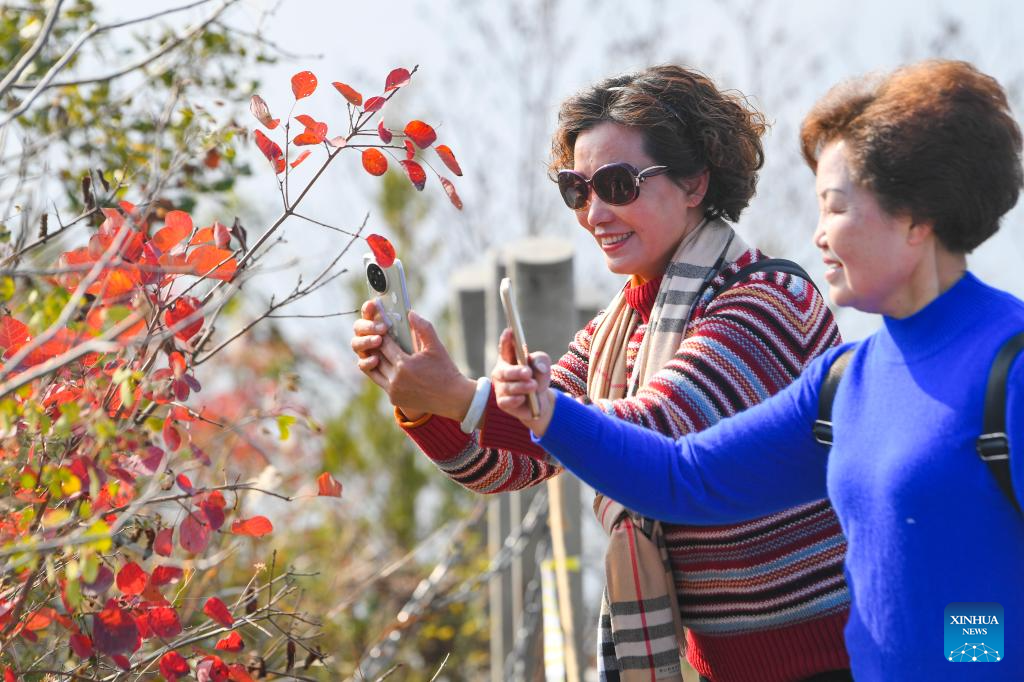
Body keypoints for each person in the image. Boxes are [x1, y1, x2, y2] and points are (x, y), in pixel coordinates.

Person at [493, 60, 1024, 681]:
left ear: (917, 216)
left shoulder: (1007, 368)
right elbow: (683, 475)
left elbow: (982, 614)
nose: (819, 236)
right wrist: (549, 413)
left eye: (837, 208)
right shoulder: (845, 383)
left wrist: (970, 657)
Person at [353, 65, 853, 681]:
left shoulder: (767, 300)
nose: (594, 213)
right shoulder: (619, 326)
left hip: (837, 660)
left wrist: (465, 397)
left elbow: (656, 437)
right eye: (576, 189)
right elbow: (509, 464)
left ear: (696, 182)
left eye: (618, 184)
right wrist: (423, 398)